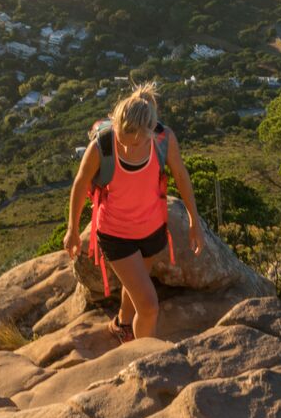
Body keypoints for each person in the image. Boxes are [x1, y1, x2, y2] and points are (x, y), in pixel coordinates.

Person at [63, 81, 202, 341]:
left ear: (150, 131)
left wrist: (195, 221)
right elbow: (80, 184)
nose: (126, 148)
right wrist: (72, 228)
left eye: (134, 143)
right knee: (149, 306)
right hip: (116, 233)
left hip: (152, 230)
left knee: (136, 286)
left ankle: (121, 324)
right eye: (122, 140)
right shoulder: (102, 146)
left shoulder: (163, 140)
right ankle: (140, 361)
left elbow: (181, 176)